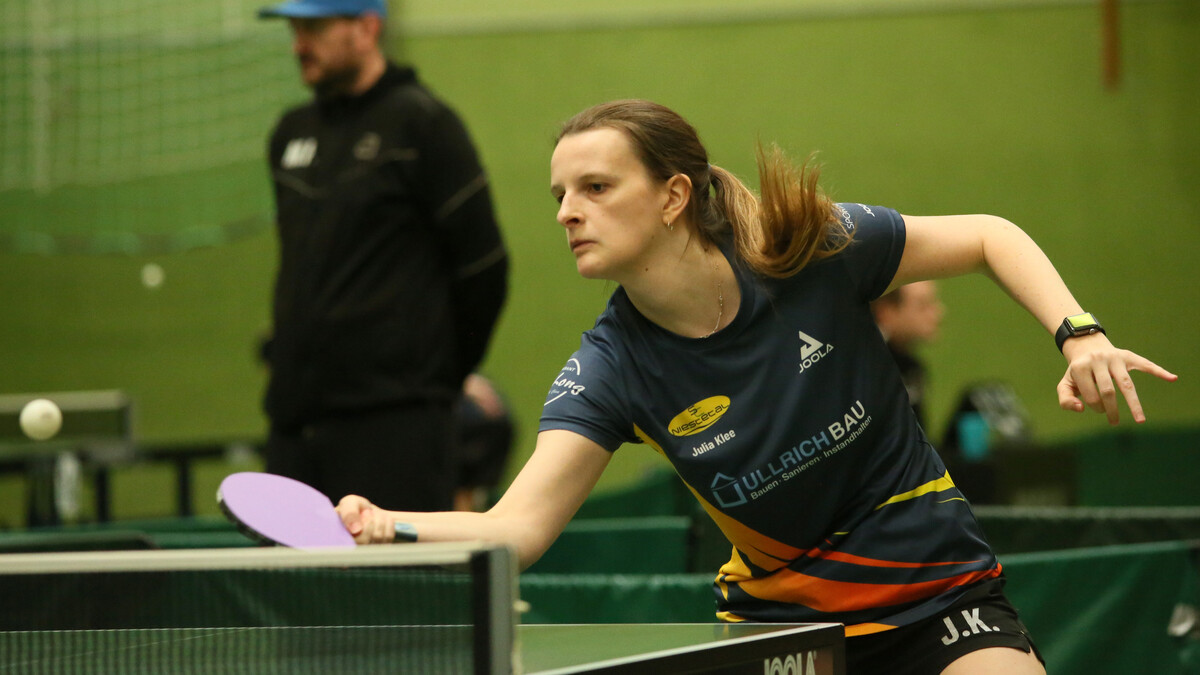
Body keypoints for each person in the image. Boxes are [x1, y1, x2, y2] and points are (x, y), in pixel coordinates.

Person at [336, 100, 1176, 674]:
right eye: (559, 194)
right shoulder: (610, 368)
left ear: (673, 195)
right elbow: (514, 530)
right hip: (788, 632)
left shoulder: (810, 248)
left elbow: (990, 236)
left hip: (936, 593)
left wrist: (1079, 333)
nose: (566, 211)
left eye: (595, 187)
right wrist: (385, 526)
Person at [256, 0, 508, 512]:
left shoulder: (424, 125)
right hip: (295, 425)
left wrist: (434, 377)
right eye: (294, 28)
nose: (298, 44)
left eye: (314, 27)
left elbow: (484, 267)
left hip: (399, 427)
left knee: (392, 568)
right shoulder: (289, 134)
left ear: (367, 28)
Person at [871, 280, 945, 428]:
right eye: (923, 305)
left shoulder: (911, 367)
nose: (940, 312)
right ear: (886, 312)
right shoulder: (872, 371)